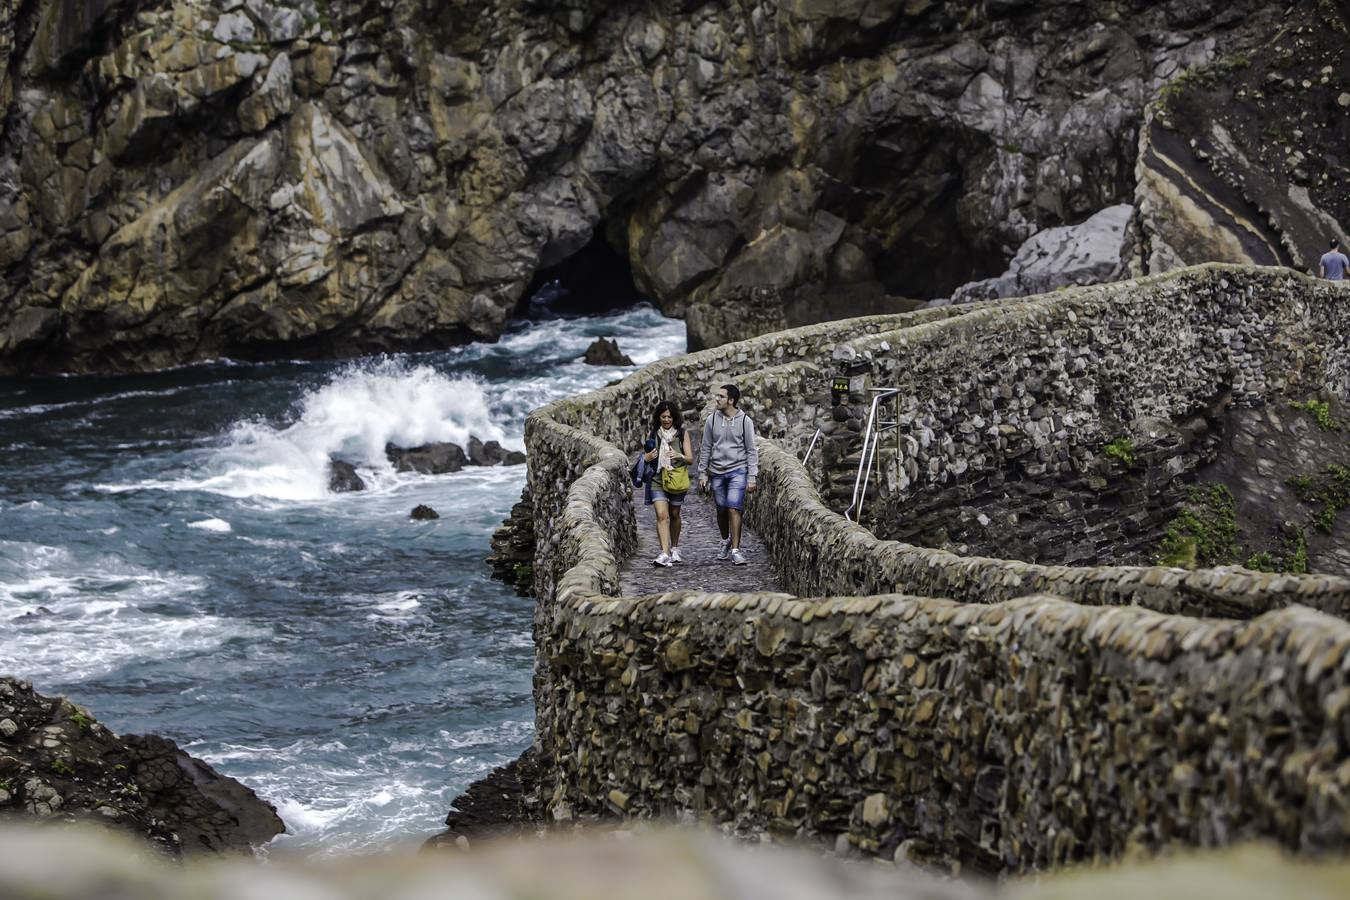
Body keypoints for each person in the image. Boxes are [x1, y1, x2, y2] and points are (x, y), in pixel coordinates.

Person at [697, 384, 759, 566]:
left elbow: (751, 450)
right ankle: (726, 540)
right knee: (721, 509)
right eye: (717, 396)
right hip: (716, 471)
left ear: (731, 400)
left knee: (734, 507)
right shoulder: (712, 420)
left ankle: (736, 550)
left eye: (721, 396)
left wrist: (752, 477)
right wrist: (702, 473)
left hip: (738, 470)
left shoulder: (744, 421)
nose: (717, 399)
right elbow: (706, 446)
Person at [642, 400, 694, 567]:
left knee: (674, 514)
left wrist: (677, 455)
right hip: (658, 479)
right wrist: (646, 458)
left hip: (676, 478)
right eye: (663, 417)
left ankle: (675, 548)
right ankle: (664, 553)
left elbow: (690, 459)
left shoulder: (682, 433)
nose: (666, 420)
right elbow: (646, 457)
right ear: (658, 417)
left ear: (674, 418)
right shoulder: (653, 434)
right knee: (661, 515)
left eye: (669, 417)